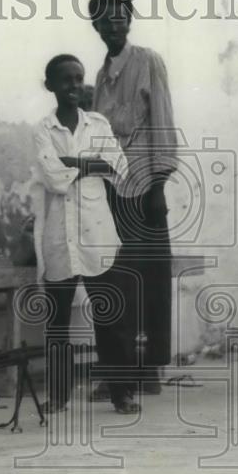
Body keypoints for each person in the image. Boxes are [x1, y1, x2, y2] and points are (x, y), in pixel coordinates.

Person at [32, 54, 140, 415]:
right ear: (50, 86)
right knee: (58, 319)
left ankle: (121, 392)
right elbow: (51, 177)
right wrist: (91, 164)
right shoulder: (43, 130)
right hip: (59, 233)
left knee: (110, 316)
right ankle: (59, 394)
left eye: (79, 79)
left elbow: (118, 167)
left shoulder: (97, 124)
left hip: (98, 231)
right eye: (65, 81)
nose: (74, 87)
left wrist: (74, 164)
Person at [89, 0, 179, 396]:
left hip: (143, 186)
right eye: (104, 19)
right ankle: (119, 369)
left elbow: (161, 121)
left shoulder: (148, 62)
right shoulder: (101, 74)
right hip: (109, 189)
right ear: (95, 25)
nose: (113, 25)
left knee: (150, 280)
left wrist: (158, 184)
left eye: (120, 17)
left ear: (130, 19)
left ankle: (148, 370)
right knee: (115, 278)